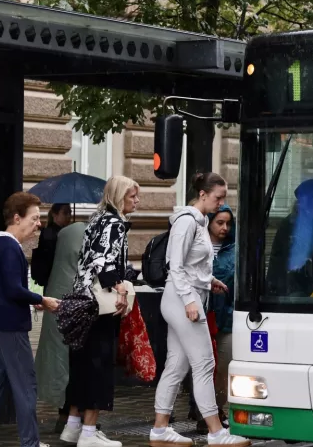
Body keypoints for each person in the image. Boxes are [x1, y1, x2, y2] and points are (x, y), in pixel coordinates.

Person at [149, 173, 250, 447]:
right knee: (204, 364)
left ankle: (160, 428)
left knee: (176, 365)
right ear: (203, 194)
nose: (221, 202)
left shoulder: (197, 221)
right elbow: (176, 265)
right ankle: (216, 432)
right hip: (183, 300)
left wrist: (210, 281)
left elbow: (192, 267)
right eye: (218, 197)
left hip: (183, 297)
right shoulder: (187, 221)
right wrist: (190, 300)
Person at [0, 192, 61, 447]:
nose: (38, 224)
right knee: (26, 387)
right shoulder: (9, 247)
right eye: (34, 218)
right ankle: (30, 443)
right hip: (9, 327)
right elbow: (12, 289)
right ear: (17, 218)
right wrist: (42, 300)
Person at [59, 176, 141, 447]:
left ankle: (72, 426)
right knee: (99, 365)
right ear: (119, 197)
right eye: (132, 196)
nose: (136, 201)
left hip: (82, 300)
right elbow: (103, 261)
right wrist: (119, 289)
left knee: (82, 365)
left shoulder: (96, 219)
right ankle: (89, 433)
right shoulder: (114, 223)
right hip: (100, 304)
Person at [36, 217, 87, 432]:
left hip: (55, 301)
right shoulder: (80, 240)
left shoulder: (61, 239)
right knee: (74, 362)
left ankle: (65, 416)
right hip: (72, 305)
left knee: (60, 360)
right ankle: (72, 417)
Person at [187, 205, 236, 431]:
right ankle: (200, 410)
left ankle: (217, 408)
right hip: (199, 313)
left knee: (224, 365)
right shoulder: (198, 245)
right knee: (199, 363)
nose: (224, 227)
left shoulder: (235, 250)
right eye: (219, 222)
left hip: (225, 317)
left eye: (228, 223)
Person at [33, 203, 72, 289]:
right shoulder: (49, 232)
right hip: (53, 278)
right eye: (65, 213)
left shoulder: (65, 231)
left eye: (70, 212)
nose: (69, 216)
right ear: (55, 214)